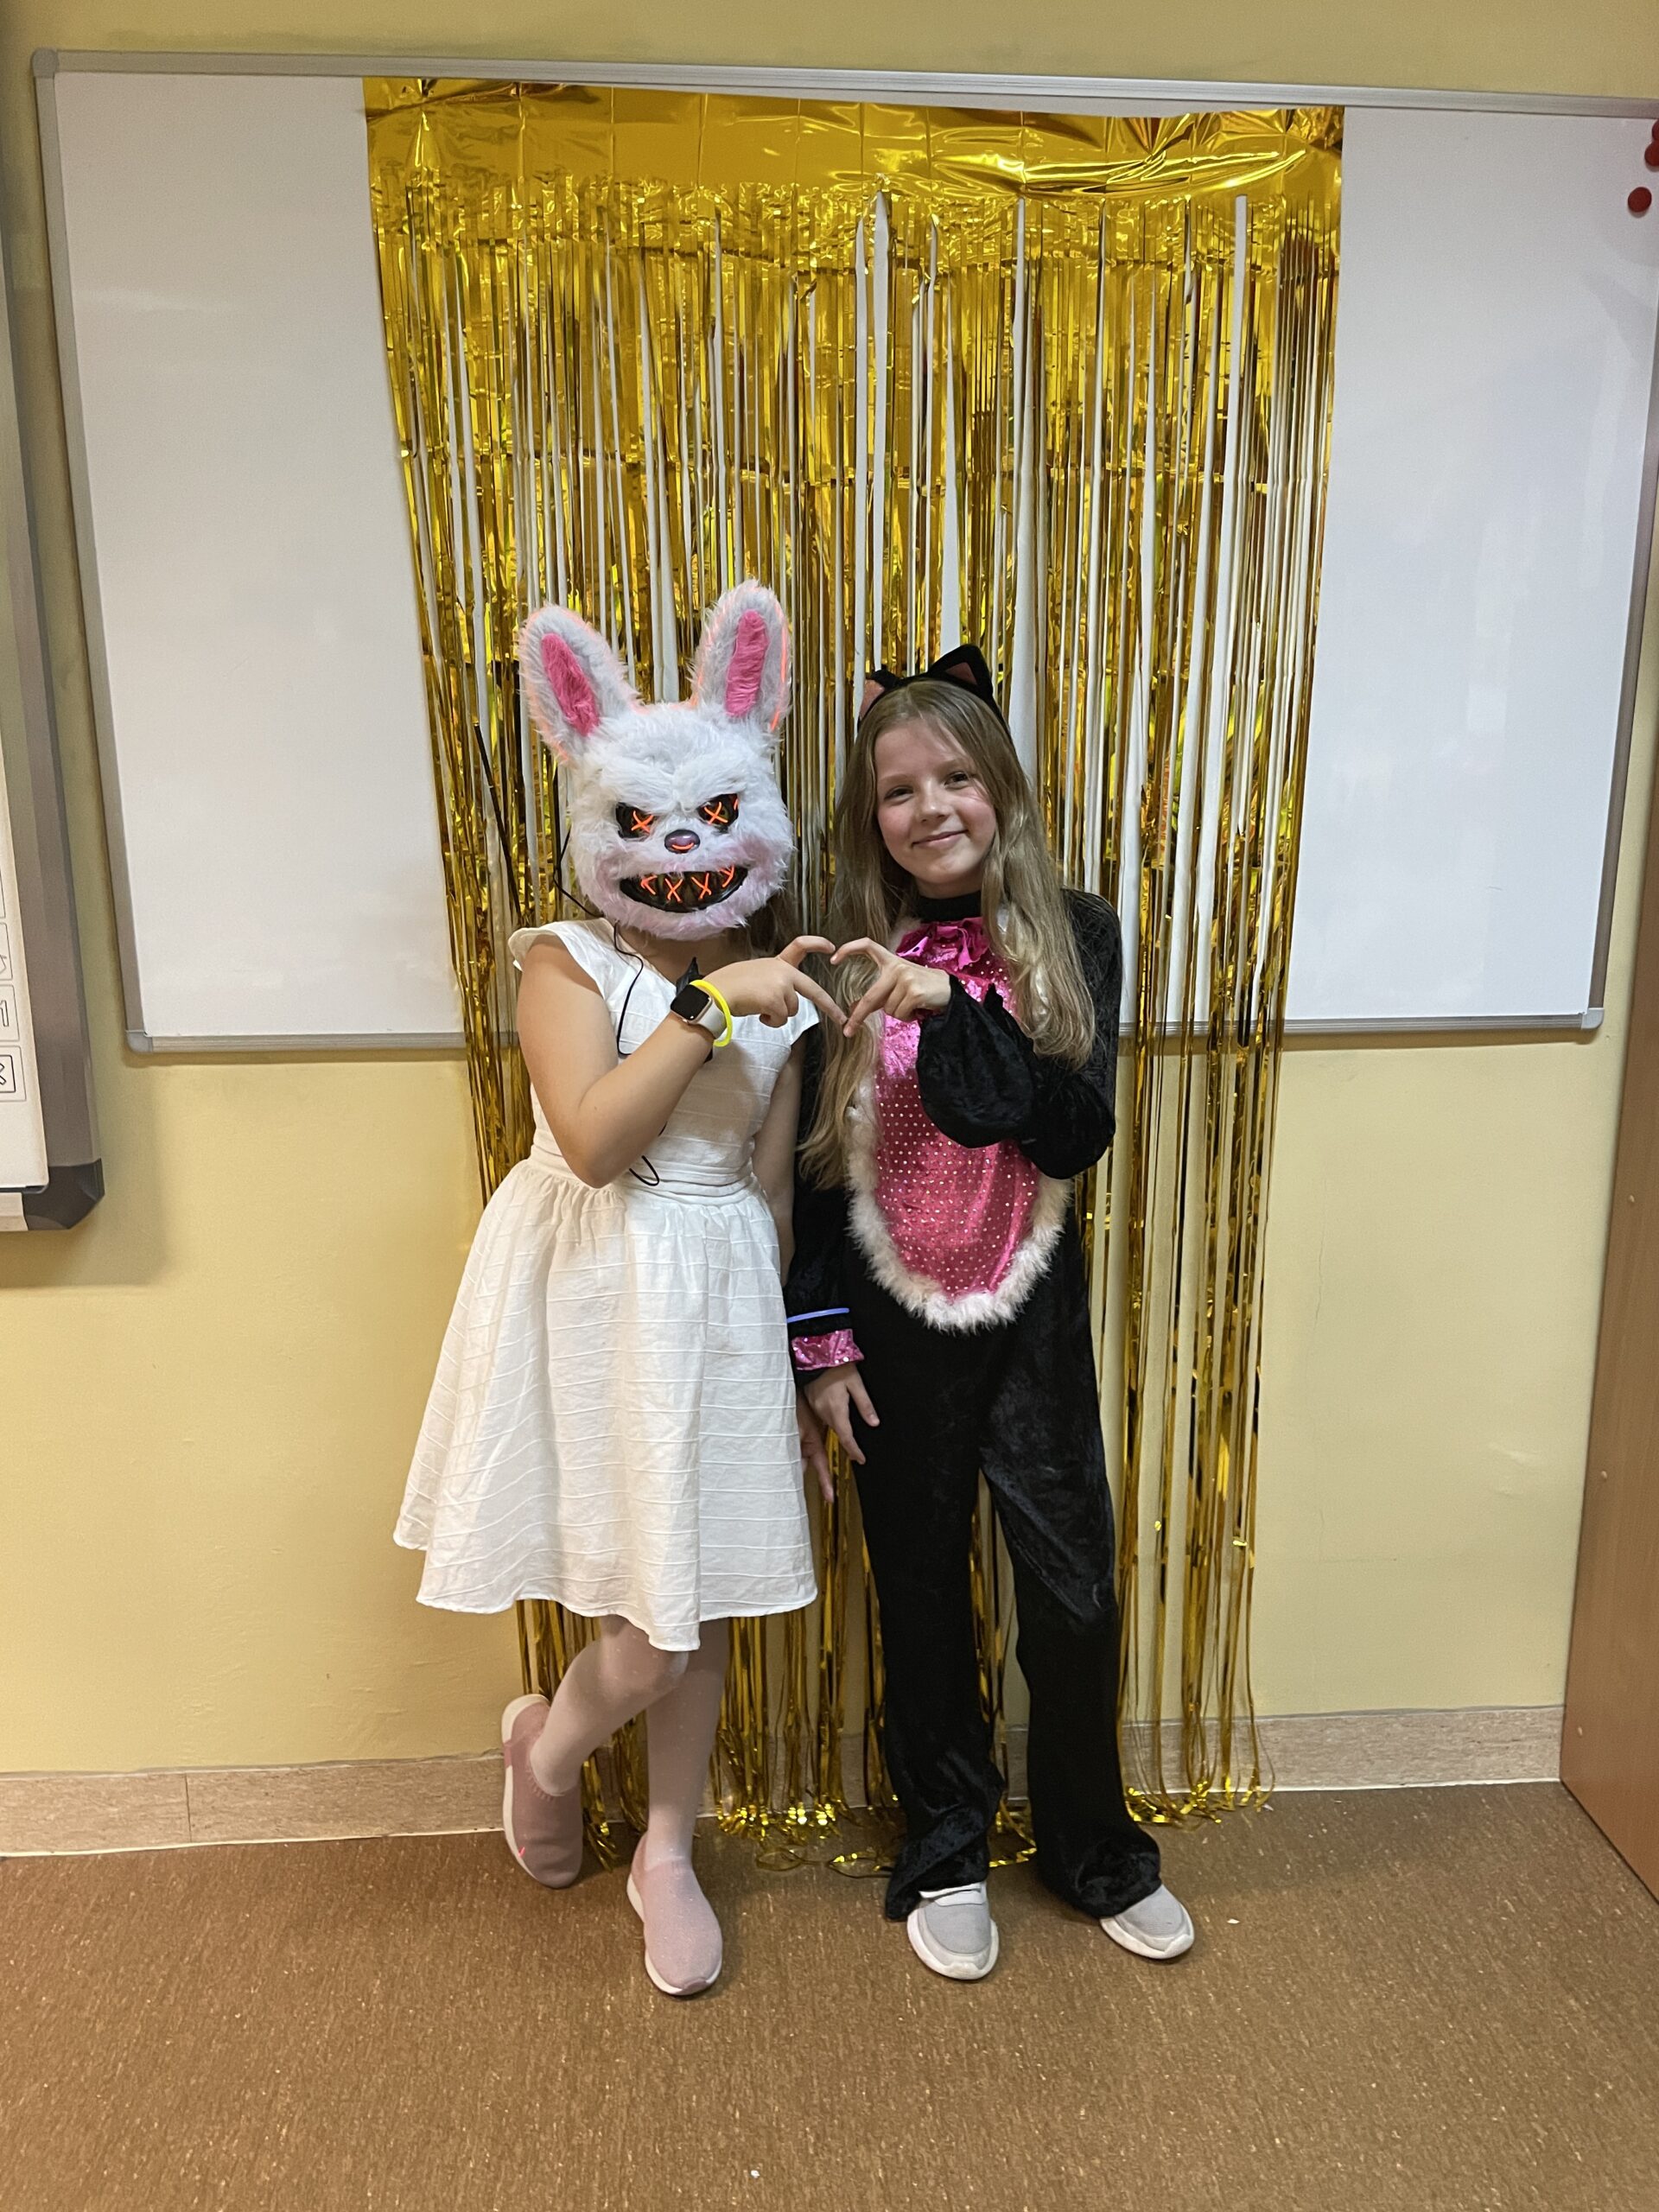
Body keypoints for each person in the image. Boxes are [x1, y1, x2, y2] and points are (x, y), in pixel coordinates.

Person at [397, 582, 837, 1999]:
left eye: (710, 818)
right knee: (643, 1636)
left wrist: (784, 1375)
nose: (678, 850)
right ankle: (546, 1752)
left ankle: (666, 1849)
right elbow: (591, 1141)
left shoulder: (777, 990)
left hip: (715, 1304)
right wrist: (712, 1007)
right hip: (592, 1297)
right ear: (598, 823)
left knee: (689, 1605)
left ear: (754, 821)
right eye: (641, 822)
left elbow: (766, 1195)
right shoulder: (564, 957)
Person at [787, 646, 1195, 1981]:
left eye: (956, 777)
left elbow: (1072, 1132)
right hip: (891, 1311)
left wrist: (957, 1006)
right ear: (871, 819)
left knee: (1071, 1593)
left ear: (1004, 790)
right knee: (918, 1589)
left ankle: (1091, 1847)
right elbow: (811, 1174)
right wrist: (821, 1348)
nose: (931, 809)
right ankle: (949, 1839)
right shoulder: (842, 952)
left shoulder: (1075, 935)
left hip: (1029, 1309)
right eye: (898, 790)